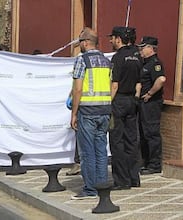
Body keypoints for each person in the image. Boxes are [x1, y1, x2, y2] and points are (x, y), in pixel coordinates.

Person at [70, 27, 112, 200]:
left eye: (80, 41)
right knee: (101, 151)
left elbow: (78, 89)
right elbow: (111, 85)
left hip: (87, 112)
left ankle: (90, 189)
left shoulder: (82, 60)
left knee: (87, 153)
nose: (79, 45)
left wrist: (73, 113)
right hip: (104, 111)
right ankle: (101, 186)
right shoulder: (106, 60)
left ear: (86, 42)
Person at [108, 26, 142, 190]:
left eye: (112, 38)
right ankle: (134, 177)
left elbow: (114, 85)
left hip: (119, 100)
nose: (111, 41)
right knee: (131, 140)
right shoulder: (137, 55)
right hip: (132, 101)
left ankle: (122, 181)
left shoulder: (117, 58)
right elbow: (139, 83)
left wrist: (108, 104)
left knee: (117, 141)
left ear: (118, 39)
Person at [137, 36, 166, 175]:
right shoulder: (145, 63)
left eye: (143, 47)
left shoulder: (155, 63)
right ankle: (146, 162)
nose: (140, 50)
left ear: (150, 48)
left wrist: (149, 93)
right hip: (143, 104)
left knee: (152, 133)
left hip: (151, 103)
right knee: (144, 133)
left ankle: (154, 164)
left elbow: (161, 79)